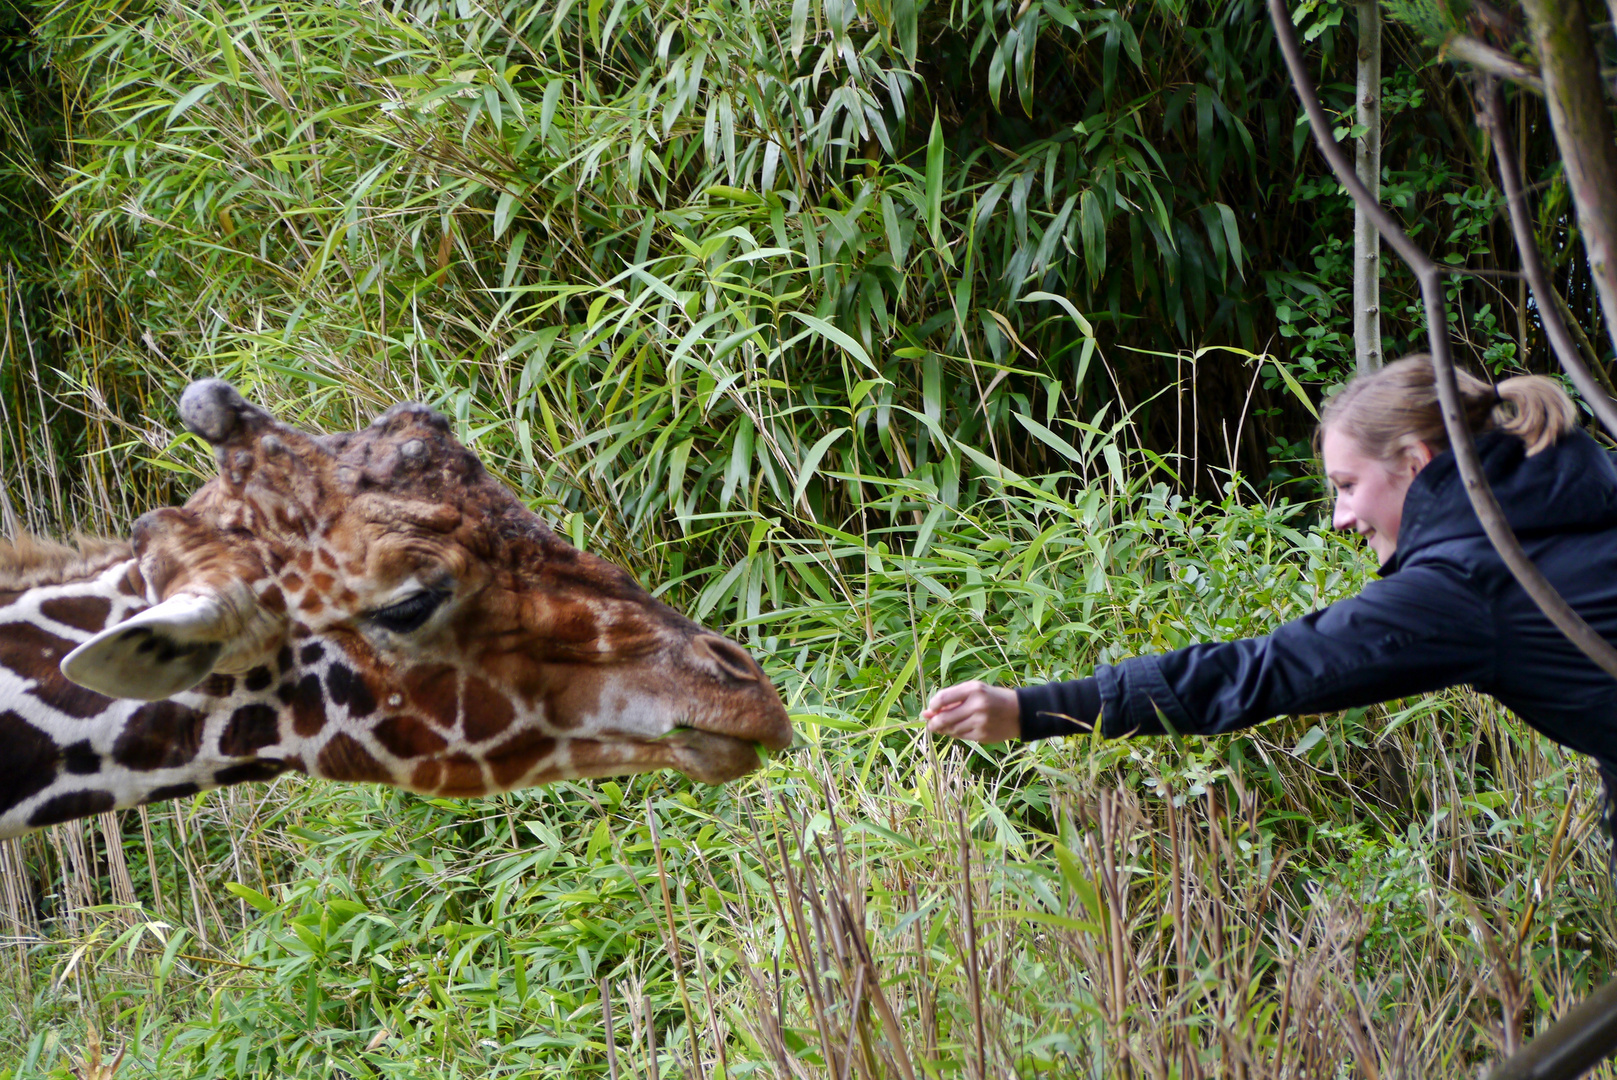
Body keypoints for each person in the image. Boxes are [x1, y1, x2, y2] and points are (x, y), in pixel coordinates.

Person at [921, 356, 1617, 806]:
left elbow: (1262, 670)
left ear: (1413, 459)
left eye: (1346, 486)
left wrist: (1034, 709)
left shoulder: (1464, 584)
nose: (1340, 519)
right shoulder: (1573, 502)